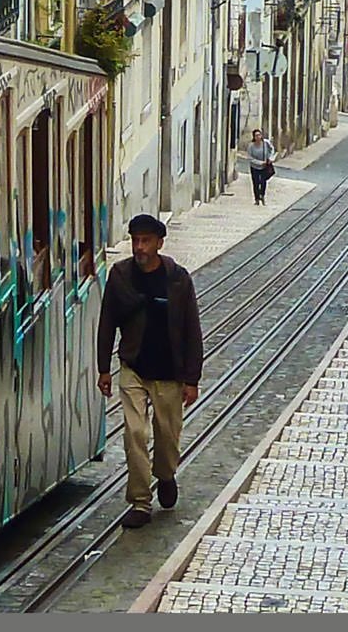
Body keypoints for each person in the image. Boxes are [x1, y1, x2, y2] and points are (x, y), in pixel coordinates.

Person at [97, 213, 204, 530]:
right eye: (135, 240)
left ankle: (166, 473)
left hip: (170, 373)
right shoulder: (120, 276)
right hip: (134, 369)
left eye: (145, 241)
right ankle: (140, 502)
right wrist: (104, 368)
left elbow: (191, 331)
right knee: (135, 435)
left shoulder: (178, 279)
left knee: (167, 438)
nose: (139, 247)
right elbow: (107, 323)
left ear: (159, 243)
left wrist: (192, 379)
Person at [246, 129, 276, 205]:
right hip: (255, 167)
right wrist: (260, 163)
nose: (258, 137)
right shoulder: (251, 146)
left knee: (263, 182)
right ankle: (256, 199)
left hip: (265, 166)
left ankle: (262, 195)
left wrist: (270, 158)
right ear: (254, 137)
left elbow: (272, 150)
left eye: (259, 135)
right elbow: (250, 158)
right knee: (255, 183)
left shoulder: (266, 143)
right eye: (256, 135)